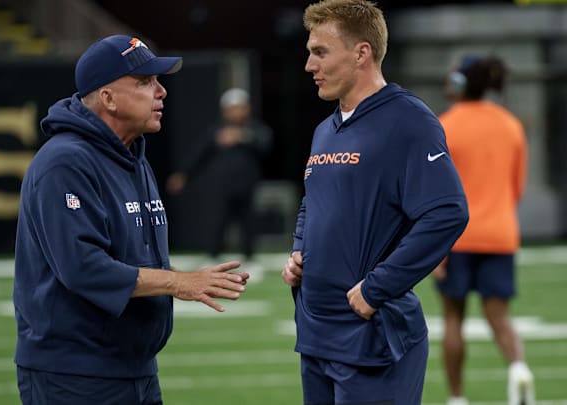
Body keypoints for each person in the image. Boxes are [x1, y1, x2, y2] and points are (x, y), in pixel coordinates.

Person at [12, 34, 250, 405]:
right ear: (107, 98)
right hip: (76, 375)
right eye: (145, 82)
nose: (161, 92)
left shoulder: (132, 157)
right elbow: (82, 267)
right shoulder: (64, 163)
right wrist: (178, 283)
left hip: (134, 368)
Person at [281, 1, 469, 404]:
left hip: (372, 338)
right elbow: (312, 201)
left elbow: (447, 211)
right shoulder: (324, 130)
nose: (309, 66)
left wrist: (378, 287)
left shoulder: (408, 121)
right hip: (317, 337)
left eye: (320, 52)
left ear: (361, 52)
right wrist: (299, 252)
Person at [432, 55, 534, 405]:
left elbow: (437, 192)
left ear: (458, 84)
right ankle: (519, 369)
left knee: (453, 320)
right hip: (500, 234)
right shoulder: (510, 125)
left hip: (455, 238)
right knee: (500, 318)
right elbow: (517, 187)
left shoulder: (444, 126)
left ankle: (457, 397)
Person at [165, 88, 273, 272]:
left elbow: (266, 145)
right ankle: (213, 255)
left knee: (248, 223)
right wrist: (183, 175)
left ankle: (249, 258)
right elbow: (199, 155)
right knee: (217, 221)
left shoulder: (255, 129)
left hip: (247, 186)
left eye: (240, 107)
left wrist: (243, 137)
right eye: (232, 108)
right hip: (221, 187)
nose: (236, 112)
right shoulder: (216, 131)